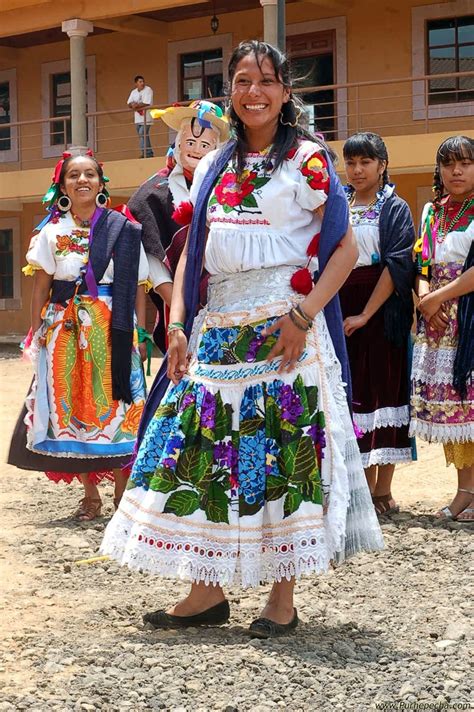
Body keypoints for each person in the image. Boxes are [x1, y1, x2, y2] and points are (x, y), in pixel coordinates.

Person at [101, 40, 383, 638]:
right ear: (231, 91)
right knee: (201, 450)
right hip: (217, 328)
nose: (253, 91)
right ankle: (205, 590)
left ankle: (282, 598)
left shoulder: (308, 161)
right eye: (243, 80)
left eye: (266, 81)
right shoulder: (211, 166)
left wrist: (304, 316)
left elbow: (346, 249)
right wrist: (177, 323)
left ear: (285, 92)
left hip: (285, 330)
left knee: (280, 453)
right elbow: (192, 257)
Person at [7, 150, 149, 521]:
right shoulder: (52, 233)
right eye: (74, 175)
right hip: (65, 329)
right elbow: (42, 286)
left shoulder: (124, 229)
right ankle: (90, 495)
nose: (82, 180)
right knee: (76, 409)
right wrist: (37, 330)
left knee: (122, 406)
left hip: (114, 327)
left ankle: (121, 491)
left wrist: (139, 330)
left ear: (101, 183)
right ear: (63, 185)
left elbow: (136, 286)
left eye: (89, 174)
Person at [340, 132, 416, 516]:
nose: (356, 170)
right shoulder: (338, 205)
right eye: (350, 162)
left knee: (385, 392)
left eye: (365, 162)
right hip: (340, 308)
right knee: (351, 396)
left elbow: (398, 263)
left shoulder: (396, 208)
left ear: (382, 165)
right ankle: (357, 487)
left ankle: (381, 489)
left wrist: (366, 313)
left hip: (382, 311)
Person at [127, 100, 229, 351]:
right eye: (190, 143)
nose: (196, 150)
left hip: (229, 301)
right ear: (178, 143)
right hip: (179, 306)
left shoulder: (230, 189)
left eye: (205, 145)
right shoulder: (153, 193)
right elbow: (151, 257)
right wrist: (178, 306)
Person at [411, 135, 474, 522]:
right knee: (458, 413)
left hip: (468, 316)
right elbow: (421, 262)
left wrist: (439, 297)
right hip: (437, 321)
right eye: (449, 163)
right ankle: (465, 490)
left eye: (465, 163)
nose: (456, 171)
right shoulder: (433, 212)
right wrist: (424, 299)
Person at [127, 75, 154, 158]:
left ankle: (146, 153)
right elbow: (129, 103)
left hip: (147, 117)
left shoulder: (148, 90)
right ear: (136, 83)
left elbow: (146, 103)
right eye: (140, 82)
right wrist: (132, 105)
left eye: (143, 81)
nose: (142, 83)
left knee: (142, 133)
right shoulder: (133, 92)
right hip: (138, 118)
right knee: (142, 135)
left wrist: (136, 105)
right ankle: (147, 152)